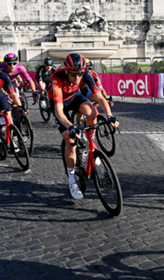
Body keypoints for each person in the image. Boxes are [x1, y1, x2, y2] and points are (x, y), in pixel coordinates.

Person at [51, 54, 118, 200]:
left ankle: (91, 143)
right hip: (59, 103)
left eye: (80, 74)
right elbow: (58, 111)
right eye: (74, 74)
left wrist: (110, 116)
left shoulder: (86, 74)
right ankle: (72, 181)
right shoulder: (57, 78)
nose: (77, 78)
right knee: (70, 141)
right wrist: (70, 127)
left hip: (74, 97)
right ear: (67, 71)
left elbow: (100, 97)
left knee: (91, 111)